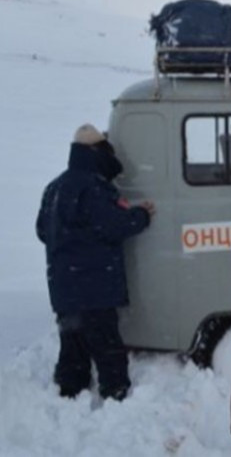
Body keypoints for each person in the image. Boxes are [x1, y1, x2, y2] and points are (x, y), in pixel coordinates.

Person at [36, 124, 154, 400]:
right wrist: (141, 215)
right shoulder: (93, 187)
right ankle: (116, 396)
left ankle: (70, 393)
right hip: (94, 288)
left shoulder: (54, 187)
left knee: (73, 344)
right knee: (107, 347)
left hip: (64, 286)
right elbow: (113, 225)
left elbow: (43, 231)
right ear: (95, 152)